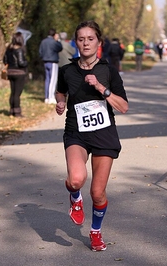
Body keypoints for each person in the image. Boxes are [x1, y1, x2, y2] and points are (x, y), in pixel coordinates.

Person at [55, 20, 128, 252]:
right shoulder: (66, 70)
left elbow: (123, 106)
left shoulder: (108, 71)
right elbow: (60, 92)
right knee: (76, 179)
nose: (85, 43)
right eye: (81, 39)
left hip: (104, 134)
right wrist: (60, 102)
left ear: (99, 42)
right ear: (76, 42)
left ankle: (95, 232)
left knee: (97, 193)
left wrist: (101, 88)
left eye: (90, 39)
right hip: (76, 131)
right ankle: (75, 198)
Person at [3, 32, 28, 117]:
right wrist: (26, 63)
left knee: (13, 92)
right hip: (19, 73)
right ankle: (17, 112)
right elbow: (21, 63)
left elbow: (5, 61)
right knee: (17, 93)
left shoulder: (8, 49)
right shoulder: (20, 50)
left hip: (10, 72)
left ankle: (12, 110)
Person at [39, 28, 63, 104]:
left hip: (45, 62)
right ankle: (51, 97)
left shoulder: (43, 41)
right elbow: (60, 48)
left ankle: (46, 97)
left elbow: (40, 52)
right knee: (53, 80)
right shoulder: (54, 42)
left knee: (47, 80)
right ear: (54, 34)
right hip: (53, 62)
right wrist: (58, 40)